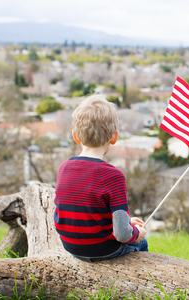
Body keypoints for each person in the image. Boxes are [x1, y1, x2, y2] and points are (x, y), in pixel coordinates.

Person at [54, 95, 148, 262]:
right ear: (114, 137)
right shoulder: (113, 176)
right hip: (103, 250)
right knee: (141, 243)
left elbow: (81, 212)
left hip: (70, 247)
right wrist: (137, 233)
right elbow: (122, 234)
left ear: (75, 136)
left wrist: (126, 221)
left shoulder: (64, 168)